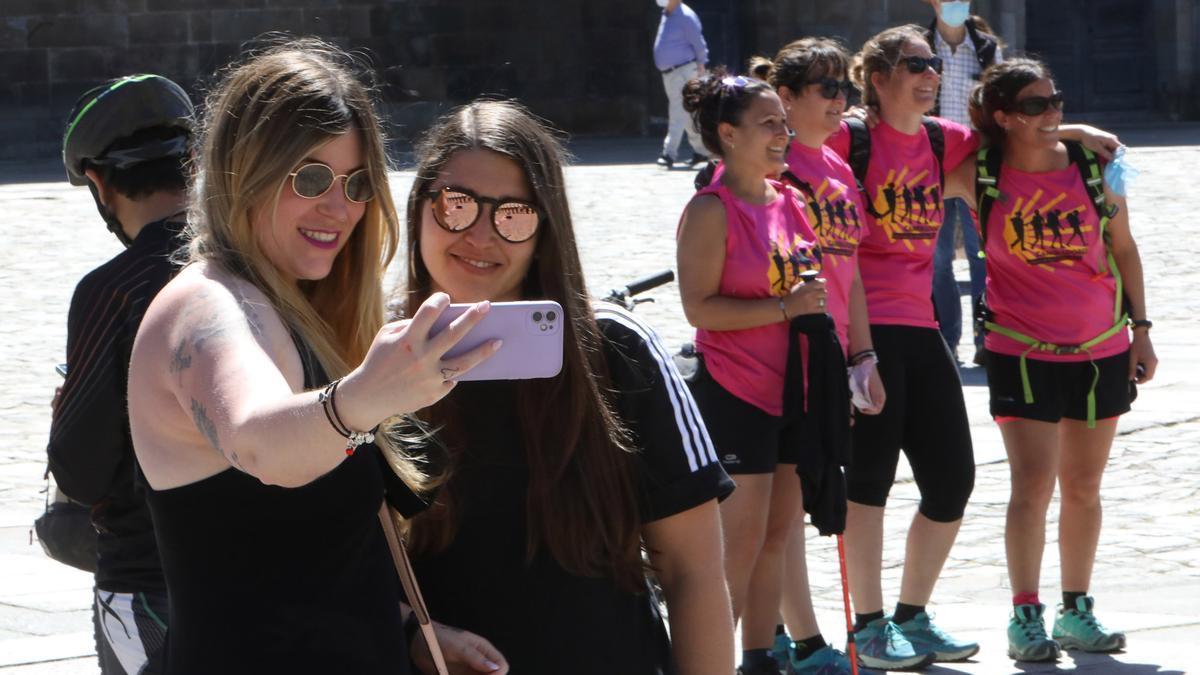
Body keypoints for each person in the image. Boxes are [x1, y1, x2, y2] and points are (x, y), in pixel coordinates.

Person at [127, 39, 507, 674]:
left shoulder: (298, 309)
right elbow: (259, 444)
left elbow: (303, 557)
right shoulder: (209, 306)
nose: (341, 207)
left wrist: (410, 629)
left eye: (357, 183)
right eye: (310, 178)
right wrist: (363, 399)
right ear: (245, 170)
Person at [400, 99, 736, 675]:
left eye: (513, 214)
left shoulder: (617, 351)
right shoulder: (369, 360)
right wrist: (410, 631)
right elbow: (325, 566)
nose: (480, 234)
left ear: (544, 228)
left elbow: (694, 570)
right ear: (420, 208)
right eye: (455, 205)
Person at [834, 25, 1121, 670]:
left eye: (934, 63)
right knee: (870, 483)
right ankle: (870, 627)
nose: (932, 73)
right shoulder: (848, 138)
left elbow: (1012, 132)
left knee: (951, 481)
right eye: (916, 64)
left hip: (922, 325)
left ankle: (913, 616)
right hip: (861, 327)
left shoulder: (944, 141)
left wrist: (1074, 133)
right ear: (878, 80)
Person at [945, 57, 1157, 662]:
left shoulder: (1095, 168)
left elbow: (1125, 249)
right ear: (1005, 117)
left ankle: (1077, 609)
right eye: (1036, 106)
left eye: (1057, 101)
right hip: (1021, 350)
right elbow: (908, 150)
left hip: (1101, 349)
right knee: (1031, 486)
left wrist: (1141, 331)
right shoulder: (980, 172)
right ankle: (1024, 615)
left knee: (1084, 487)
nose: (1054, 112)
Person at [675, 70, 832, 675]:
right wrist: (783, 308)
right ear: (727, 133)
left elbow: (811, 289)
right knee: (734, 552)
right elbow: (699, 308)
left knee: (777, 537)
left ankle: (760, 659)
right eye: (768, 123)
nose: (782, 133)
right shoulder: (711, 210)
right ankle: (708, 662)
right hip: (736, 393)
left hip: (794, 387)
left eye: (783, 123)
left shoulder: (788, 198)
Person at [48, 72, 193, 675]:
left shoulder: (114, 290)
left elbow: (80, 467)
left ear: (100, 184)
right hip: (261, 581)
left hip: (149, 585)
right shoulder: (256, 269)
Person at [770, 37, 889, 674]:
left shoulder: (839, 170)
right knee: (786, 503)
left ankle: (791, 633)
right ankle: (805, 639)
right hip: (786, 355)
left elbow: (853, 271)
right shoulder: (769, 169)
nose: (841, 99)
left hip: (835, 350)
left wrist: (863, 354)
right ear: (784, 98)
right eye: (826, 88)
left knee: (809, 491)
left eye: (845, 86)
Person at [924, 0, 1002, 366]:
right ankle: (946, 340)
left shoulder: (987, 48)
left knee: (980, 254)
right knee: (937, 260)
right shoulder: (921, 47)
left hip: (975, 164)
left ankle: (985, 338)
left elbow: (1000, 101)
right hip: (933, 164)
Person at [653, 0, 710, 169]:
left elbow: (698, 42)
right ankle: (701, 151)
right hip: (671, 71)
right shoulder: (667, 14)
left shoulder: (685, 16)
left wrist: (702, 62)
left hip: (684, 69)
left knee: (677, 110)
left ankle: (668, 153)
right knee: (686, 112)